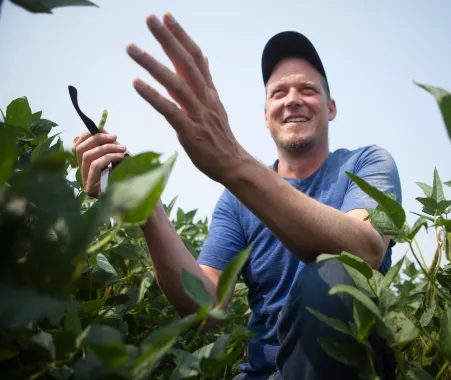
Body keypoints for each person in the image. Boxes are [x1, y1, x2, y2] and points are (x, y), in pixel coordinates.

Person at [72, 12, 401, 380]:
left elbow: (364, 249)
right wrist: (149, 209)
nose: (293, 100)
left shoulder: (368, 164)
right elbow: (205, 311)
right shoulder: (236, 200)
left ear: (331, 107)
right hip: (260, 374)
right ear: (265, 115)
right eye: (279, 93)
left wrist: (232, 162)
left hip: (348, 368)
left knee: (335, 274)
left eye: (308, 90)